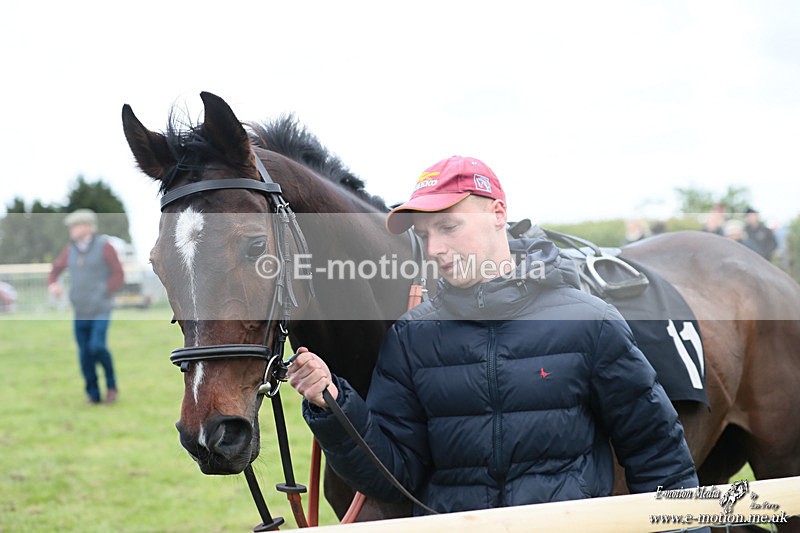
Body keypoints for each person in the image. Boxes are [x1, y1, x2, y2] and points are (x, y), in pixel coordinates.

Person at [287, 156, 700, 514]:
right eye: (425, 234)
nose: (433, 249)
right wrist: (334, 405)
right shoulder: (411, 338)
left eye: (448, 227)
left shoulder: (588, 322)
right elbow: (393, 473)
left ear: (498, 214)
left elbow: (659, 455)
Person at [48, 209, 124, 404]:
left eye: (75, 225)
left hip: (100, 308)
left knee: (97, 346)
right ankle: (93, 394)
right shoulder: (70, 249)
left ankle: (111, 385)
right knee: (84, 354)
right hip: (80, 310)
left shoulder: (105, 247)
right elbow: (55, 269)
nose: (71, 230)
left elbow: (118, 275)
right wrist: (53, 283)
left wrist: (103, 291)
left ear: (88, 226)